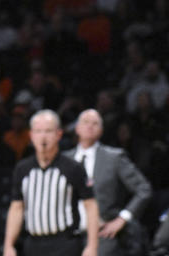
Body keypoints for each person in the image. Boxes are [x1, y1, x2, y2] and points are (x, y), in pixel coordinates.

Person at [3, 109, 98, 256]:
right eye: (38, 131)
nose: (43, 137)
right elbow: (16, 207)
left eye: (48, 131)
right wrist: (8, 245)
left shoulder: (72, 168)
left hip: (65, 243)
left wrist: (92, 246)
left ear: (58, 134)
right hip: (33, 243)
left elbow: (90, 206)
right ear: (31, 135)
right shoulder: (22, 169)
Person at [64, 109, 151, 256]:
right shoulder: (64, 160)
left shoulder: (114, 158)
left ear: (101, 131)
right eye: (85, 122)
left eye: (95, 123)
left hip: (103, 234)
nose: (90, 126)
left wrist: (122, 219)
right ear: (77, 128)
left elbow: (143, 189)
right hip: (67, 236)